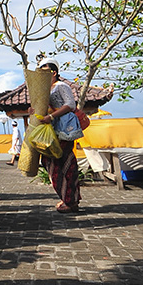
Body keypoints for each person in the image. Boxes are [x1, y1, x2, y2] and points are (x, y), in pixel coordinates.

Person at [37, 58, 82, 213]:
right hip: (54, 127)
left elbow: (70, 104)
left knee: (57, 160)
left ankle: (70, 200)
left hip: (64, 126)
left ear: (54, 72)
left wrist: (52, 116)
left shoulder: (60, 85)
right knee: (60, 161)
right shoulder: (46, 89)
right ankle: (69, 199)